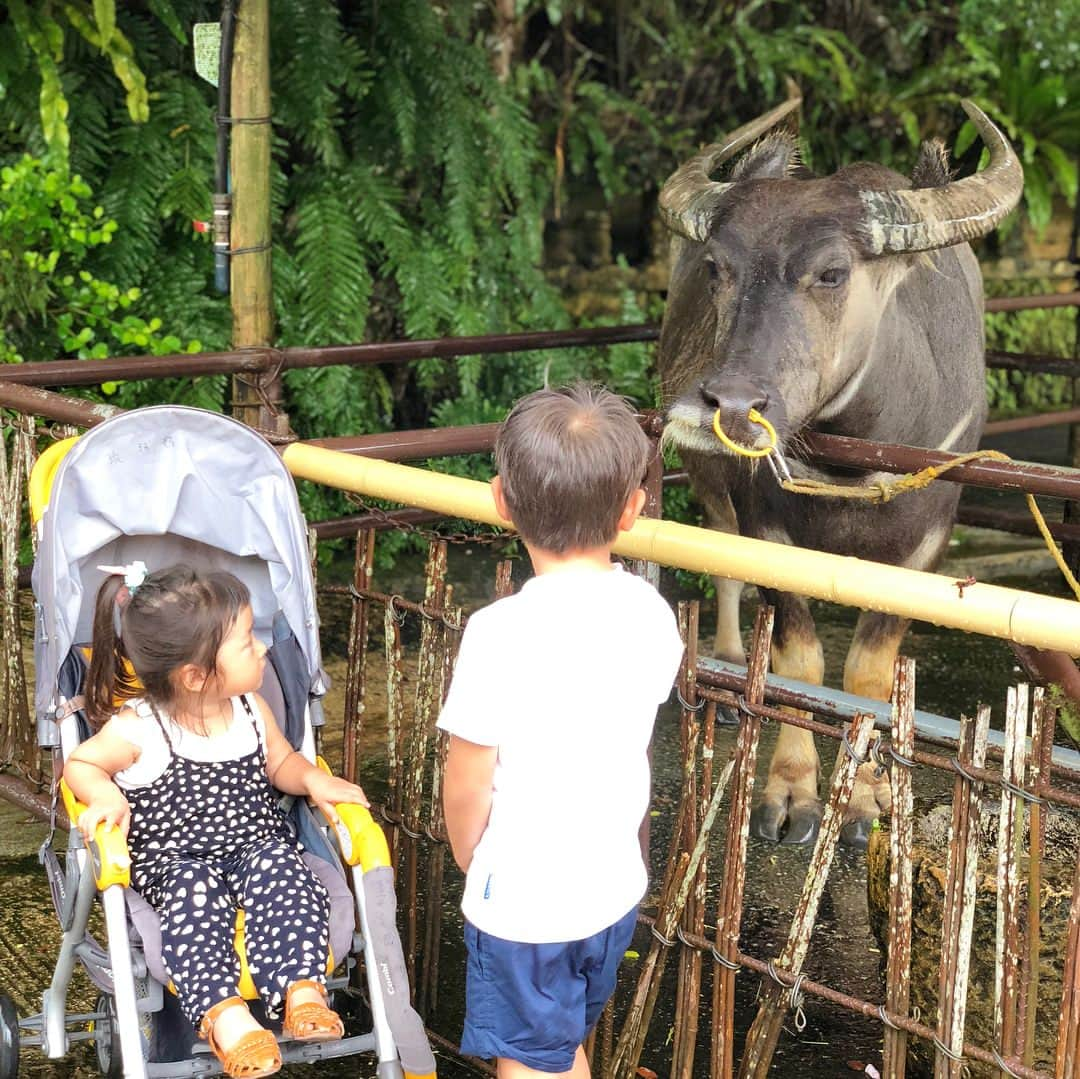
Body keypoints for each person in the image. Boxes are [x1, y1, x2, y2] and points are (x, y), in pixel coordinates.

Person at [437, 383, 685, 1078]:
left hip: (525, 904)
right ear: (632, 508)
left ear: (500, 501)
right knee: (558, 1042)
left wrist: (471, 855)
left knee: (529, 1060)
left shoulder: (497, 633)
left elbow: (467, 776)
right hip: (610, 890)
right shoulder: (650, 613)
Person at [63, 563, 369, 1079]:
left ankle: (302, 992)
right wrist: (105, 794)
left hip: (253, 846)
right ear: (196, 675)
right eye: (248, 642)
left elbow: (281, 763)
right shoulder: (139, 728)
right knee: (194, 895)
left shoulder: (250, 708)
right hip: (178, 862)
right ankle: (228, 1020)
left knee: (285, 871)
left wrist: (313, 780)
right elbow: (81, 763)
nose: (263, 649)